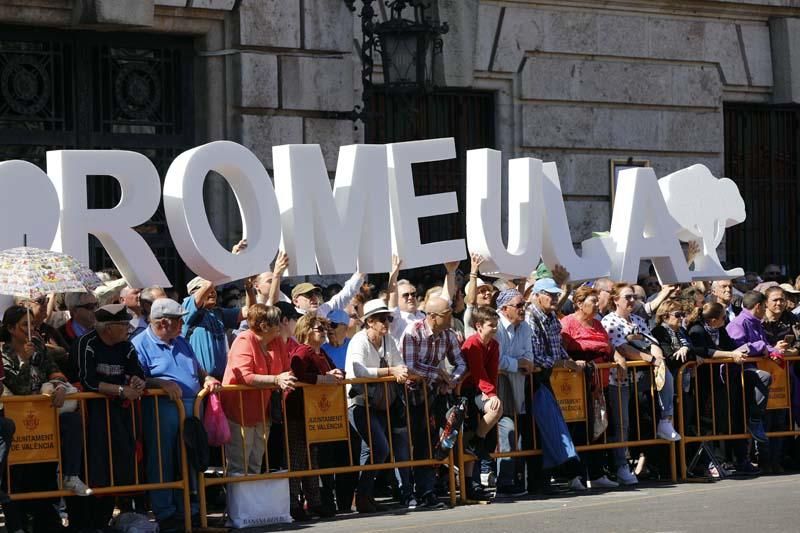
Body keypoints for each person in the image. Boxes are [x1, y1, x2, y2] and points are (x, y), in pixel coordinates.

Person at [132, 298, 222, 531]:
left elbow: (196, 366)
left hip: (191, 407)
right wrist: (160, 382)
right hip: (162, 407)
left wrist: (207, 377)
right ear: (163, 323)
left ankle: (189, 510)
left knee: (190, 458)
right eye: (178, 320)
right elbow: (136, 378)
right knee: (162, 459)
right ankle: (166, 512)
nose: (182, 323)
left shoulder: (181, 340)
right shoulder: (139, 343)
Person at [1, 305, 91, 496]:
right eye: (24, 325)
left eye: (32, 324)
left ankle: (71, 476)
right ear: (10, 328)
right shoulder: (3, 353)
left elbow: (54, 370)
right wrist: (24, 360)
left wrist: (59, 386)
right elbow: (21, 389)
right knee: (20, 478)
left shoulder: (38, 345)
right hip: (18, 418)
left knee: (72, 421)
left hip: (45, 414)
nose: (31, 329)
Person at [72, 304, 146, 530]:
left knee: (119, 463)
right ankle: (85, 522)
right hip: (91, 415)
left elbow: (137, 372)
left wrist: (137, 382)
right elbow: (88, 381)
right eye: (123, 325)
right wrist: (122, 390)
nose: (128, 329)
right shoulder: (87, 344)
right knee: (93, 466)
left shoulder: (126, 345)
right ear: (108, 328)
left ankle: (104, 519)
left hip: (120, 414)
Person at [602, 284, 679, 484]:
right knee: (622, 424)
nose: (631, 300)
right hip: (619, 379)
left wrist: (658, 357)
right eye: (627, 297)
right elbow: (623, 348)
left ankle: (665, 419)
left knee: (667, 375)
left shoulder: (637, 319)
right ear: (615, 300)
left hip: (642, 378)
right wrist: (650, 359)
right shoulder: (609, 321)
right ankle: (621, 466)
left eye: (634, 297)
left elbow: (651, 341)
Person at [345, 299, 413, 512]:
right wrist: (390, 372)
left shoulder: (388, 340)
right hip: (359, 402)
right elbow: (359, 371)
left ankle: (364, 497)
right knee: (381, 448)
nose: (387, 322)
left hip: (380, 403)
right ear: (370, 321)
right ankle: (362, 494)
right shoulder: (358, 340)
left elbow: (400, 363)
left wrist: (397, 369)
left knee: (371, 450)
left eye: (389, 318)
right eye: (383, 319)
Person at [400, 296, 466, 508]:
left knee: (441, 439)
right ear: (433, 317)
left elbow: (461, 363)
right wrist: (437, 373)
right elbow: (410, 366)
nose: (451, 317)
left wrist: (451, 380)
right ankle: (415, 491)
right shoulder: (413, 332)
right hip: (410, 397)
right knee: (417, 443)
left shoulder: (448, 334)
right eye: (448, 314)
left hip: (435, 394)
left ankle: (430, 488)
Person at [526, 278, 586, 492]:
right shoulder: (530, 317)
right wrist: (563, 362)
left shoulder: (551, 317)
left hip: (545, 378)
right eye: (549, 295)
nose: (554, 298)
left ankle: (555, 475)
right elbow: (536, 356)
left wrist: (567, 359)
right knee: (542, 428)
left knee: (551, 427)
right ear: (536, 295)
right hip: (531, 379)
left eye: (555, 294)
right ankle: (549, 477)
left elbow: (556, 346)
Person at [221, 304, 295, 475]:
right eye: (277, 323)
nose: (280, 326)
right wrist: (276, 380)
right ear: (264, 326)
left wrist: (284, 377)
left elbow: (286, 368)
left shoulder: (276, 341)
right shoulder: (244, 340)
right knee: (239, 465)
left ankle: (252, 502)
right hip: (239, 412)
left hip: (264, 411)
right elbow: (245, 376)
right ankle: (238, 501)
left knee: (255, 463)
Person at [560, 286, 622, 489]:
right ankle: (574, 476)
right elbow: (561, 351)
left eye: (597, 300)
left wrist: (618, 358)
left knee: (599, 428)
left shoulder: (597, 324)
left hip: (599, 385)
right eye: (593, 301)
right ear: (579, 303)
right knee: (577, 431)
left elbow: (608, 347)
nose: (597, 304)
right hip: (575, 386)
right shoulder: (567, 323)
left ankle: (596, 474)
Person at [285, 313, 343, 520]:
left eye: (324, 329)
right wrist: (323, 379)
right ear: (307, 330)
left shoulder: (321, 353)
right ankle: (293, 503)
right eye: (319, 328)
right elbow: (298, 374)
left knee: (312, 459)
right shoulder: (303, 351)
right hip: (298, 412)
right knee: (297, 459)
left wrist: (337, 374)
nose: (323, 332)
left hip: (315, 413)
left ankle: (314, 501)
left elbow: (334, 370)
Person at [489, 289, 534, 497]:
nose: (523, 309)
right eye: (519, 306)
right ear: (504, 309)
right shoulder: (495, 326)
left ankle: (517, 479)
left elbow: (529, 358)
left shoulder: (524, 326)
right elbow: (496, 361)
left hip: (516, 387)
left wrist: (514, 364)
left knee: (518, 432)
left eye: (524, 305)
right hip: (492, 388)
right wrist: (517, 364)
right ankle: (504, 482)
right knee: (507, 428)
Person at [460, 305, 503, 499]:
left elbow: (491, 373)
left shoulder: (494, 345)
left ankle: (476, 442)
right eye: (490, 325)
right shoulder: (472, 343)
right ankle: (469, 484)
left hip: (481, 390)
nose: (494, 329)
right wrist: (491, 393)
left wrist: (491, 393)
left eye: (496, 325)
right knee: (468, 432)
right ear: (478, 326)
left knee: (495, 410)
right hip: (466, 391)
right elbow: (478, 372)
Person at [182, 275, 255, 379]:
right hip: (199, 381)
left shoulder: (218, 313)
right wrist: (212, 272)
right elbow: (206, 287)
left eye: (214, 289)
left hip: (219, 381)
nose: (212, 292)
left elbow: (250, 311)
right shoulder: (186, 310)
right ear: (193, 294)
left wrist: (248, 288)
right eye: (207, 290)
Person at [291, 268, 366, 317]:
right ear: (296, 301)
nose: (314, 298)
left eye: (316, 294)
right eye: (308, 294)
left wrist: (362, 269)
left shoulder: (323, 310)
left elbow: (347, 293)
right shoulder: (290, 318)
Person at [463, 254, 495, 338]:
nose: (488, 293)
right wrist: (473, 273)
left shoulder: (493, 312)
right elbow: (471, 302)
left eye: (488, 290)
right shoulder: (471, 314)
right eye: (482, 291)